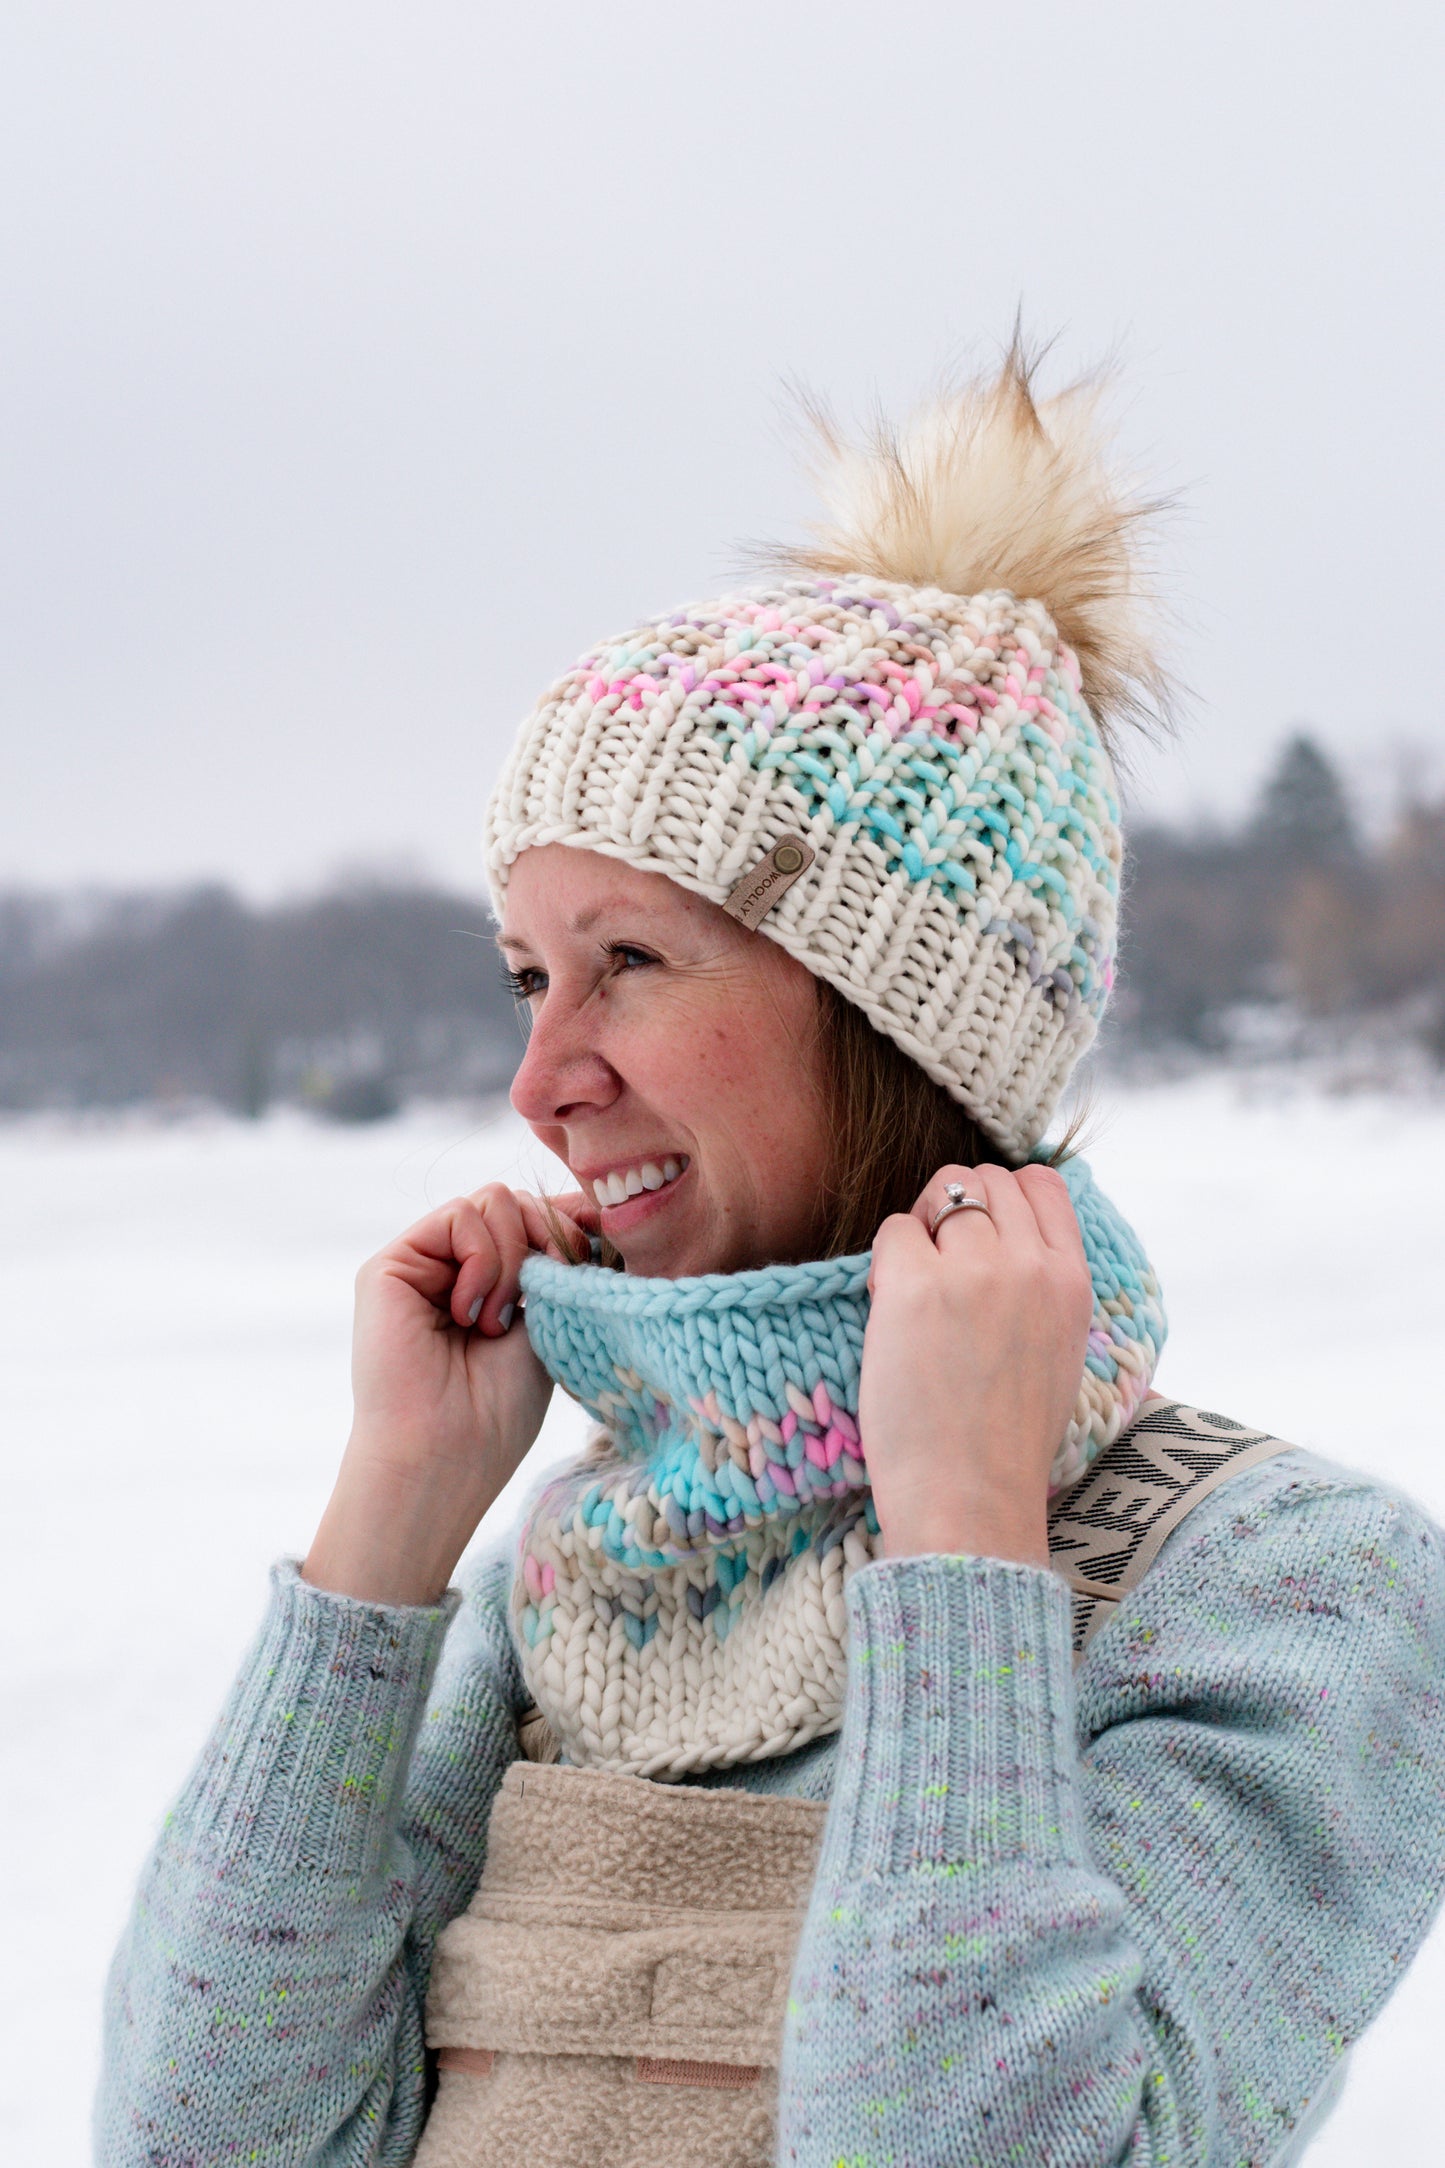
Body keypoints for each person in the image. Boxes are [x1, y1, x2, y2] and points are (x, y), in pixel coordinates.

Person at [98, 344, 1445, 2168]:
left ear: (904, 1017)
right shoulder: (571, 1588)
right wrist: (388, 1528)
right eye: (522, 973)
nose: (537, 1079)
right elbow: (200, 2144)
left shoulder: (1289, 1590)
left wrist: (961, 1539)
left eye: (629, 963)